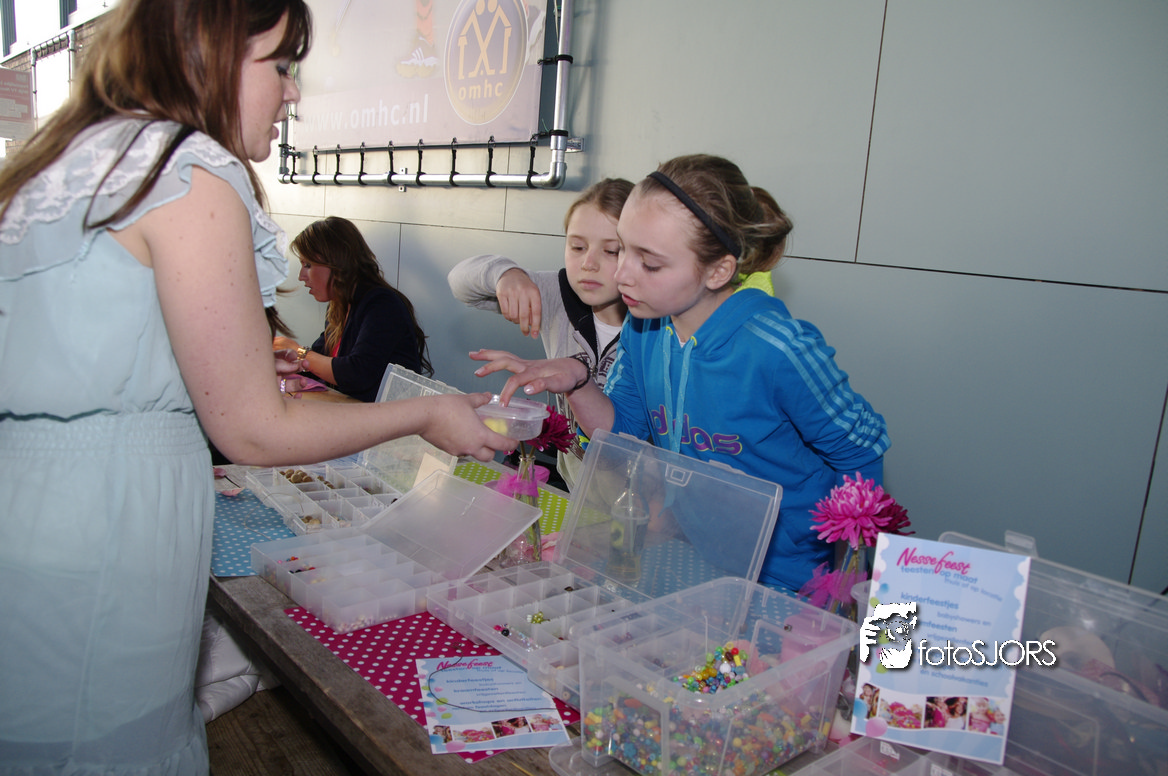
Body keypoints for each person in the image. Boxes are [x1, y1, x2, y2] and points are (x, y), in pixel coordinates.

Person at [0, 1, 514, 773]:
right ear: (207, 53)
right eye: (280, 66)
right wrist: (426, 414)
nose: (293, 93)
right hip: (105, 537)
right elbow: (255, 430)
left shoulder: (70, 160)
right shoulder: (185, 171)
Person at [468, 154, 890, 593]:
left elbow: (861, 452)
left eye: (649, 264)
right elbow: (624, 432)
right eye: (623, 249)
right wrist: (578, 382)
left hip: (791, 575)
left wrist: (847, 584)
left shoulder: (778, 348)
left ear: (718, 270)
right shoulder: (644, 329)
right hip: (700, 556)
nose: (622, 274)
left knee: (869, 625)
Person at [448, 178, 633, 488]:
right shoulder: (558, 295)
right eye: (577, 247)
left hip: (639, 497)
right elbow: (461, 283)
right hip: (576, 486)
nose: (588, 263)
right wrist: (506, 274)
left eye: (611, 251)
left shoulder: (656, 328)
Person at [273, 215, 433, 402]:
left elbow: (357, 374)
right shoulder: (338, 307)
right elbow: (318, 363)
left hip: (390, 417)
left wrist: (298, 351)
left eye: (308, 265)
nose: (301, 276)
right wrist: (283, 361)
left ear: (337, 264)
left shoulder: (382, 305)